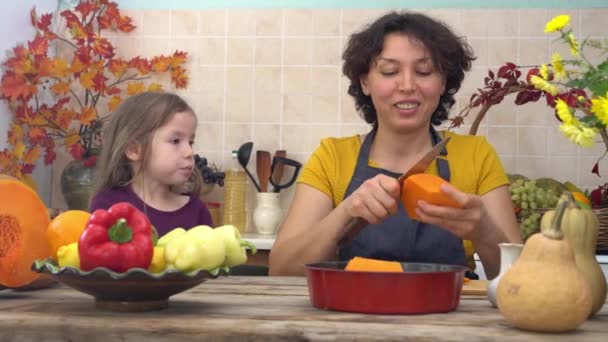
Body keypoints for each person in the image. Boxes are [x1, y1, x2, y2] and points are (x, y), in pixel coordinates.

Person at [269, 11, 521, 279]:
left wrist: (485, 231)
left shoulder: (476, 155)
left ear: (443, 82)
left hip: (446, 316)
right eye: (390, 71)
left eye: (424, 71)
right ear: (365, 81)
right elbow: (281, 270)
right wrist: (344, 213)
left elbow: (522, 279)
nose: (408, 85)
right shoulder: (332, 157)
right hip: (351, 316)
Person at [90, 92, 212, 237]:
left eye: (190, 142)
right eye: (175, 141)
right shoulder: (108, 205)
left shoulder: (197, 211)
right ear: (133, 149)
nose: (189, 152)